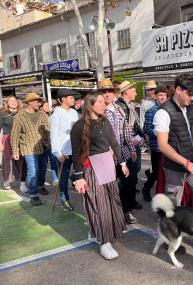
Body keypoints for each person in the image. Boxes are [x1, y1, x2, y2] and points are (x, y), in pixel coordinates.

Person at [70, 92, 129, 260]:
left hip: (107, 165)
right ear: (91, 105)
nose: (105, 104)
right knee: (98, 203)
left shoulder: (105, 121)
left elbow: (114, 143)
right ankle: (104, 241)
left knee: (112, 201)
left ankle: (105, 231)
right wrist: (79, 177)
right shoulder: (79, 126)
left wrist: (123, 163)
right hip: (90, 168)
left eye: (105, 101)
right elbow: (76, 154)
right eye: (101, 102)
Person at [153, 73, 193, 208]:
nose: (191, 98)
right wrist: (186, 163)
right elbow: (162, 145)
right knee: (172, 206)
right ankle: (170, 228)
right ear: (178, 90)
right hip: (174, 167)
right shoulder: (163, 112)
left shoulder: (192, 109)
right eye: (189, 94)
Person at [101, 79, 139, 224]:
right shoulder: (98, 110)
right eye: (103, 91)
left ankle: (127, 211)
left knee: (128, 184)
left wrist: (131, 147)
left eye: (109, 91)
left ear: (113, 93)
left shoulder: (118, 108)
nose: (107, 94)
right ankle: (111, 214)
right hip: (106, 157)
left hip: (123, 153)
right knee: (109, 187)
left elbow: (126, 130)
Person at [11, 93, 50, 206]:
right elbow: (15, 135)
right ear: (29, 102)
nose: (39, 103)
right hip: (28, 148)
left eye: (39, 101)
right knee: (33, 171)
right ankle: (33, 194)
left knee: (42, 169)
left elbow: (47, 128)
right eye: (37, 101)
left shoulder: (42, 113)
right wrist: (15, 151)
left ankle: (40, 186)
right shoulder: (19, 116)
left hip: (43, 146)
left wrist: (48, 143)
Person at [116, 80, 144, 210]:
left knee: (134, 174)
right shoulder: (119, 107)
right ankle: (126, 204)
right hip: (125, 146)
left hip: (133, 143)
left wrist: (139, 138)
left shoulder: (130, 106)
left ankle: (131, 200)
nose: (136, 92)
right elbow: (123, 129)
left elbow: (137, 128)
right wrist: (134, 139)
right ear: (126, 92)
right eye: (134, 90)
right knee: (128, 176)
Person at [50, 89, 79, 211]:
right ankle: (64, 200)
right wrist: (57, 153)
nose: (73, 99)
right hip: (64, 153)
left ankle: (74, 179)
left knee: (80, 173)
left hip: (76, 150)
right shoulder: (56, 115)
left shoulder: (74, 112)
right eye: (71, 97)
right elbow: (54, 135)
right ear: (63, 99)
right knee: (63, 178)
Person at [142, 85, 168, 202]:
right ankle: (146, 188)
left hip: (168, 147)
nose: (162, 97)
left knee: (166, 171)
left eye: (164, 95)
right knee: (157, 172)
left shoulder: (169, 109)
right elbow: (146, 129)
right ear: (156, 96)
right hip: (156, 146)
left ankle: (163, 192)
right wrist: (160, 133)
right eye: (160, 95)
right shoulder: (151, 111)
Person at [0, 96, 27, 191]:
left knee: (22, 160)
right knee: (8, 161)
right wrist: (0, 143)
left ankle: (23, 183)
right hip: (7, 138)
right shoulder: (3, 114)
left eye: (15, 100)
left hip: (21, 138)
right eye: (11, 101)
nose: (13, 102)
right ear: (7, 103)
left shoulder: (23, 113)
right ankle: (7, 180)